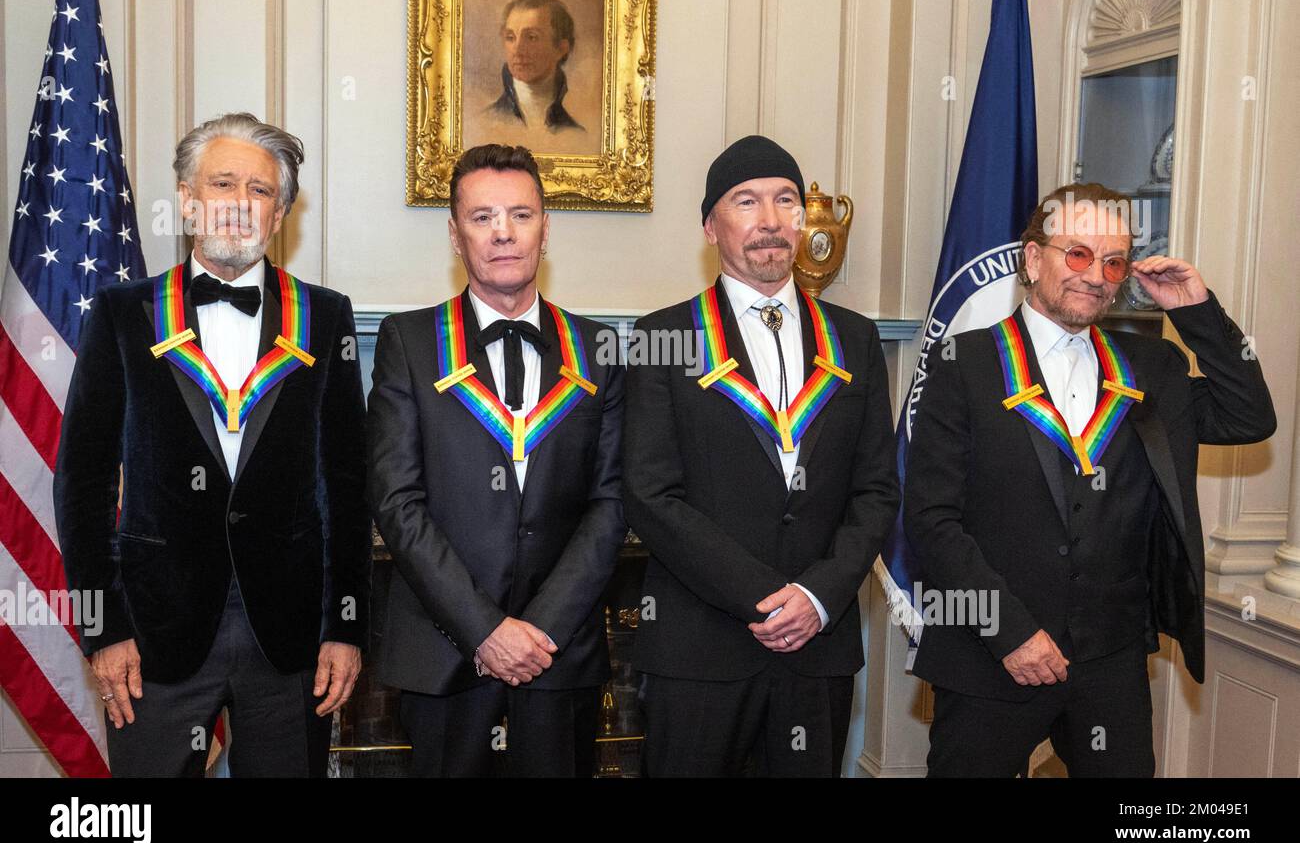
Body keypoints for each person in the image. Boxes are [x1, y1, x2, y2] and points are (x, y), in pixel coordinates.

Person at [905, 182, 1276, 777]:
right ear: (1033, 258)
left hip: (1111, 659)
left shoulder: (1152, 366)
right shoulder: (963, 364)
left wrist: (1197, 311)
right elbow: (931, 519)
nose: (1095, 275)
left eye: (1112, 262)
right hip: (990, 654)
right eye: (1077, 254)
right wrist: (1010, 634)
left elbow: (1249, 415)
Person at [53, 112, 371, 777]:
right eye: (221, 183)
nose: (237, 204)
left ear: (281, 210)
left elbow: (348, 483)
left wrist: (347, 626)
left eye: (258, 190)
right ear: (189, 199)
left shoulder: (327, 317)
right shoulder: (122, 314)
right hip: (151, 635)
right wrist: (103, 628)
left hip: (292, 639)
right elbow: (80, 484)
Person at [622, 135, 900, 776]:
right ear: (710, 227)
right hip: (699, 650)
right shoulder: (662, 338)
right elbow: (649, 494)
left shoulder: (854, 340)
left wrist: (818, 596)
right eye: (746, 202)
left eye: (785, 201)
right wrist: (765, 598)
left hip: (817, 644)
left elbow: (877, 491)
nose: (770, 220)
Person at [367, 143, 624, 777]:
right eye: (482, 217)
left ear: (546, 227)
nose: (503, 232)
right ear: (455, 235)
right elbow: (398, 504)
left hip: (559, 654)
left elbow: (613, 500)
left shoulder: (601, 348)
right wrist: (486, 630)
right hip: (444, 652)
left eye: (521, 214)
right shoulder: (408, 343)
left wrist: (538, 631)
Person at [484, 0, 584, 132]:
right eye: (510, 37)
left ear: (561, 49)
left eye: (531, 37)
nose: (517, 50)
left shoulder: (574, 133)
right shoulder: (485, 122)